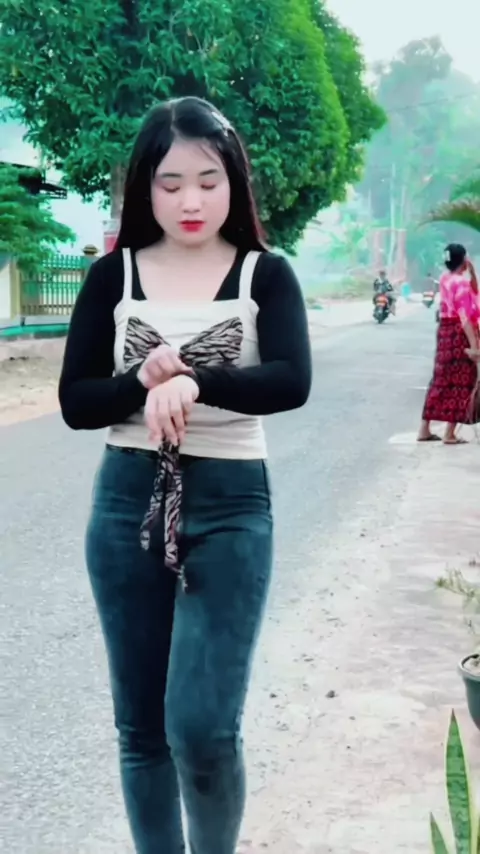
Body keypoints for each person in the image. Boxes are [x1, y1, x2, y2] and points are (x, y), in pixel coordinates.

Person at [58, 96, 312, 854]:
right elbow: (76, 402)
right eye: (170, 184)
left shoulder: (265, 274)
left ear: (234, 178)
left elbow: (291, 380)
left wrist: (195, 381)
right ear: (145, 187)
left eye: (208, 180)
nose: (191, 201)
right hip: (125, 503)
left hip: (231, 506)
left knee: (201, 727)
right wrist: (142, 380)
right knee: (141, 728)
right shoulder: (114, 276)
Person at [418, 244, 480, 445]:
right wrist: (474, 346)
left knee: (440, 379)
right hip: (458, 333)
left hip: (444, 331)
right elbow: (465, 317)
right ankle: (449, 433)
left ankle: (424, 429)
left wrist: (471, 273)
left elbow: (474, 290)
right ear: (463, 259)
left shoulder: (445, 278)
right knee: (461, 380)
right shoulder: (460, 283)